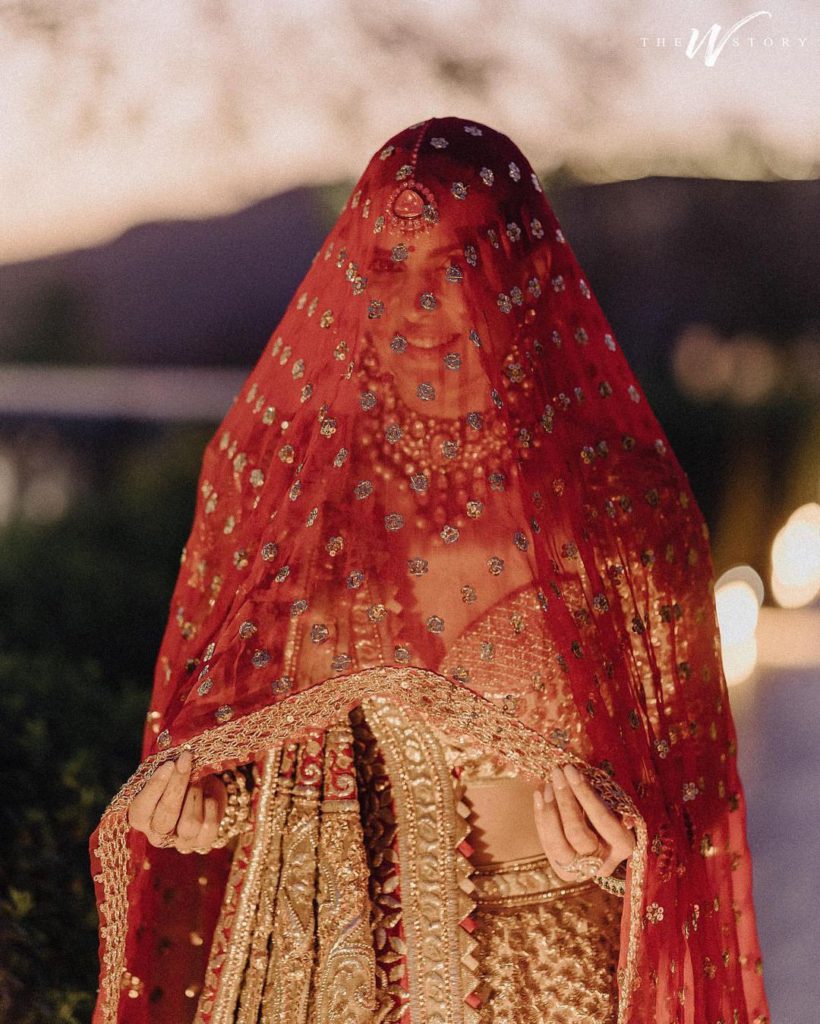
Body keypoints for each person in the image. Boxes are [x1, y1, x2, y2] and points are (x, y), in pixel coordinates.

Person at [89, 116, 770, 1024]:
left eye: (450, 267)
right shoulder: (301, 500)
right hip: (330, 979)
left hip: (554, 978)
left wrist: (624, 845)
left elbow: (695, 811)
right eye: (389, 269)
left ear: (519, 279)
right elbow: (272, 744)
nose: (416, 308)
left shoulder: (617, 503)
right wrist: (207, 799)